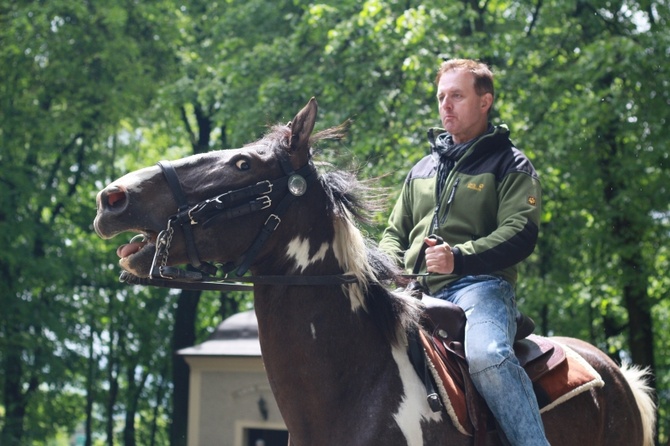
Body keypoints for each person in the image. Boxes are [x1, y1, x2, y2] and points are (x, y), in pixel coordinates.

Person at [379, 58, 549, 445]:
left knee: (488, 356)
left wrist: (460, 256)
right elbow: (394, 232)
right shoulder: (421, 168)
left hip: (481, 288)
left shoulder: (511, 163)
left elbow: (520, 232)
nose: (446, 105)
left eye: (457, 95)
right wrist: (391, 267)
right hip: (415, 293)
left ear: (485, 101)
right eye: (441, 97)